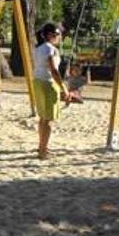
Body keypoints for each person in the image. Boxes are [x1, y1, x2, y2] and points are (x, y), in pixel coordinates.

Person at [32, 23, 68, 160]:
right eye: (57, 34)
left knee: (43, 118)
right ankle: (43, 150)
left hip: (38, 81)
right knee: (48, 120)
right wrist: (63, 88)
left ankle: (42, 146)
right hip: (47, 83)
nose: (59, 37)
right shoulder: (49, 49)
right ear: (49, 35)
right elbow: (53, 70)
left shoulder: (38, 48)